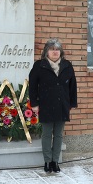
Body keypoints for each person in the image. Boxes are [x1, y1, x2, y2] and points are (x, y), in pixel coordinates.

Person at [29, 38, 77, 173]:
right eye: (52, 49)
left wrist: (71, 103)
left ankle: (55, 161)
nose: (55, 52)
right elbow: (32, 86)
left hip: (62, 104)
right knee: (46, 134)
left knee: (58, 135)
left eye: (57, 49)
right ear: (46, 51)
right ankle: (47, 161)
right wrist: (34, 103)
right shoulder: (39, 65)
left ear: (61, 52)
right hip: (46, 105)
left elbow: (73, 86)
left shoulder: (67, 65)